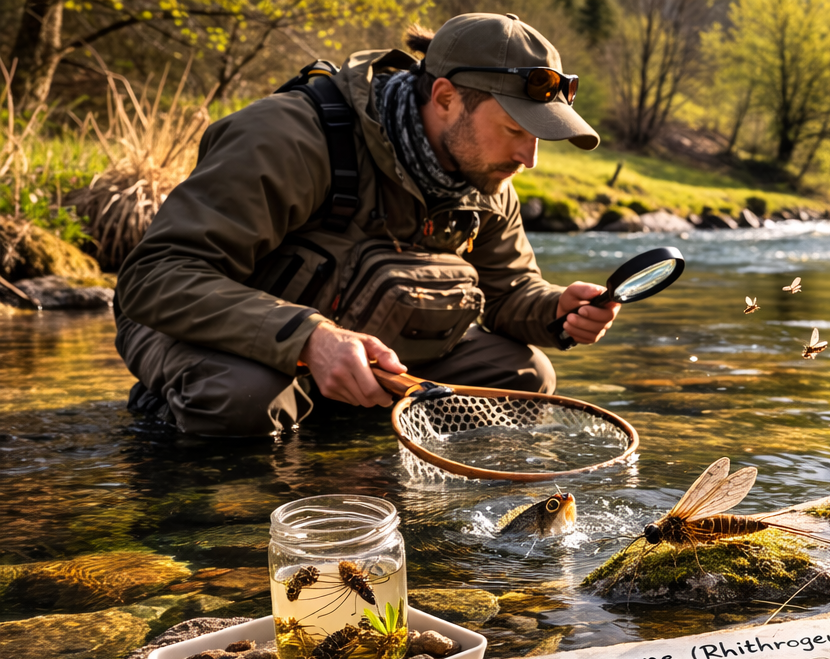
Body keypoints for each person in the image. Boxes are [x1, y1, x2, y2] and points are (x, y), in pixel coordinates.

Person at [114, 12, 621, 436]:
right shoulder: (289, 137)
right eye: (515, 129)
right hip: (202, 329)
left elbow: (509, 292)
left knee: (523, 377)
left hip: (364, 346)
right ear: (445, 97)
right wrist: (310, 339)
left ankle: (340, 434)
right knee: (242, 398)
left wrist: (555, 309)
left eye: (538, 137)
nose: (528, 158)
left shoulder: (486, 177)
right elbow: (155, 277)